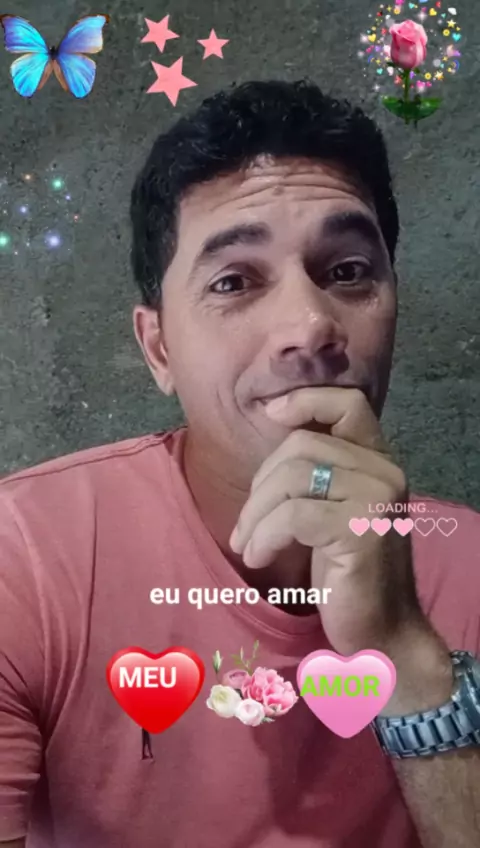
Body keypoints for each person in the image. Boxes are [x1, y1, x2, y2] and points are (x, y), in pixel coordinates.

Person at [0, 79, 479, 848]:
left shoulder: (470, 566)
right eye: (234, 281)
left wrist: (402, 647)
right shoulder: (26, 555)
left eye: (348, 271)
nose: (310, 325)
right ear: (159, 348)